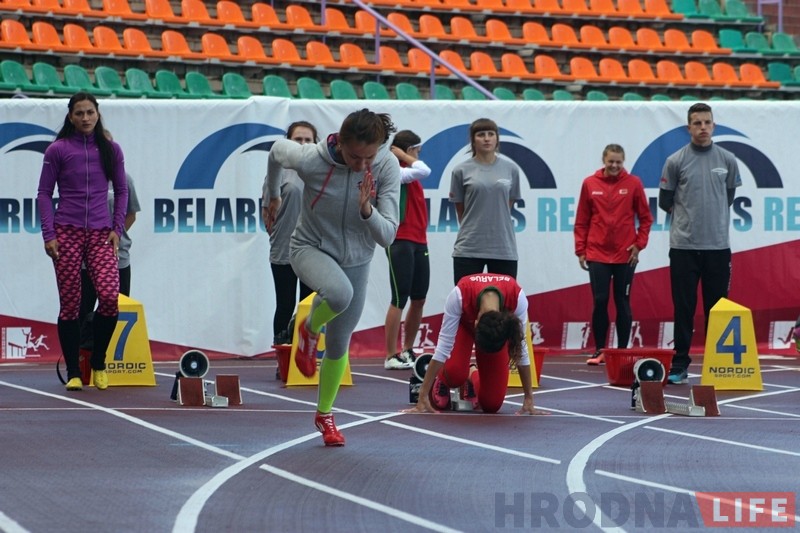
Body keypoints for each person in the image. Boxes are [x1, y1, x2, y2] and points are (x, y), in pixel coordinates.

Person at [265, 109, 400, 446]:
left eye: (369, 156)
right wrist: (273, 195)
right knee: (340, 295)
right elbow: (276, 152)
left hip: (358, 257)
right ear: (340, 143)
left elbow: (388, 236)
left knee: (339, 345)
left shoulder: (386, 167)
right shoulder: (312, 159)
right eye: (355, 156)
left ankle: (324, 415)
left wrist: (367, 210)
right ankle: (309, 329)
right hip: (309, 246)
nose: (362, 165)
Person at [37, 92, 128, 392]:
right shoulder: (58, 150)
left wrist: (117, 227)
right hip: (67, 233)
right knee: (71, 305)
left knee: (110, 298)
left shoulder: (111, 149)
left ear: (98, 114)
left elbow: (122, 190)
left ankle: (99, 362)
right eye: (79, 113)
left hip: (102, 233)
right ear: (71, 117)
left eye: (90, 112)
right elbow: (43, 194)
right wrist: (48, 234)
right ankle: (75, 371)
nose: (86, 118)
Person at [659, 102, 741, 384]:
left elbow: (728, 197)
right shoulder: (675, 161)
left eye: (707, 122)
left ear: (714, 125)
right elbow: (665, 201)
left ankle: (717, 365)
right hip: (683, 248)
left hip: (718, 248)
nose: (703, 127)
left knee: (716, 310)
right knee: (683, 309)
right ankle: (680, 364)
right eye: (697, 123)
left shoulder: (728, 160)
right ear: (688, 127)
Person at [405, 273, 536, 415]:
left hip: (493, 332)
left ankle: (471, 373)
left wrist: (528, 398)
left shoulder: (517, 298)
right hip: (463, 327)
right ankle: (443, 378)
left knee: (492, 405)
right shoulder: (459, 295)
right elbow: (443, 348)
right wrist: (423, 395)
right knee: (454, 374)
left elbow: (521, 350)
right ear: (476, 322)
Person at [574, 144, 653, 365]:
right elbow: (582, 220)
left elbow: (646, 219)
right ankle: (600, 350)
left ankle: (621, 351)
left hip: (625, 255)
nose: (615, 165)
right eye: (611, 161)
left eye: (619, 162)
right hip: (597, 253)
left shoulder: (633, 183)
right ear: (604, 160)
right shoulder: (590, 184)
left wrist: (639, 245)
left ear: (623, 161)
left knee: (623, 301)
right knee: (600, 301)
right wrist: (581, 250)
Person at [261, 121, 317, 346]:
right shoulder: (277, 174)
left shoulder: (320, 174)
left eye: (308, 140)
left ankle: (303, 356)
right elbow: (268, 213)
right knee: (285, 304)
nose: (303, 144)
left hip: (314, 250)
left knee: (308, 305)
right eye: (298, 140)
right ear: (288, 142)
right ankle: (282, 358)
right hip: (284, 248)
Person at [450, 118, 521, 285]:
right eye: (481, 135)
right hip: (469, 249)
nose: (487, 138)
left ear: (497, 139)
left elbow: (507, 205)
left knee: (504, 306)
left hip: (503, 248)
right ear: (473, 140)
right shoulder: (460, 170)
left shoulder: (511, 169)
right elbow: (461, 210)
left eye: (491, 134)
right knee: (466, 303)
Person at [383, 130, 431, 370]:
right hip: (400, 239)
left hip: (419, 240)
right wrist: (402, 155)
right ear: (407, 150)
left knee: (419, 298)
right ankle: (391, 354)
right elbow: (424, 170)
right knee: (399, 298)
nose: (418, 156)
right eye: (416, 151)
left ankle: (408, 349)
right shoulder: (395, 170)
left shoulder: (408, 173)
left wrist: (407, 155)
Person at [78, 171, 140, 348]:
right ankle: (83, 362)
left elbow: (131, 214)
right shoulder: (83, 177)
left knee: (116, 310)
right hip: (86, 260)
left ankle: (108, 360)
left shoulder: (124, 178)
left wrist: (114, 239)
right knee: (82, 313)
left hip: (117, 258)